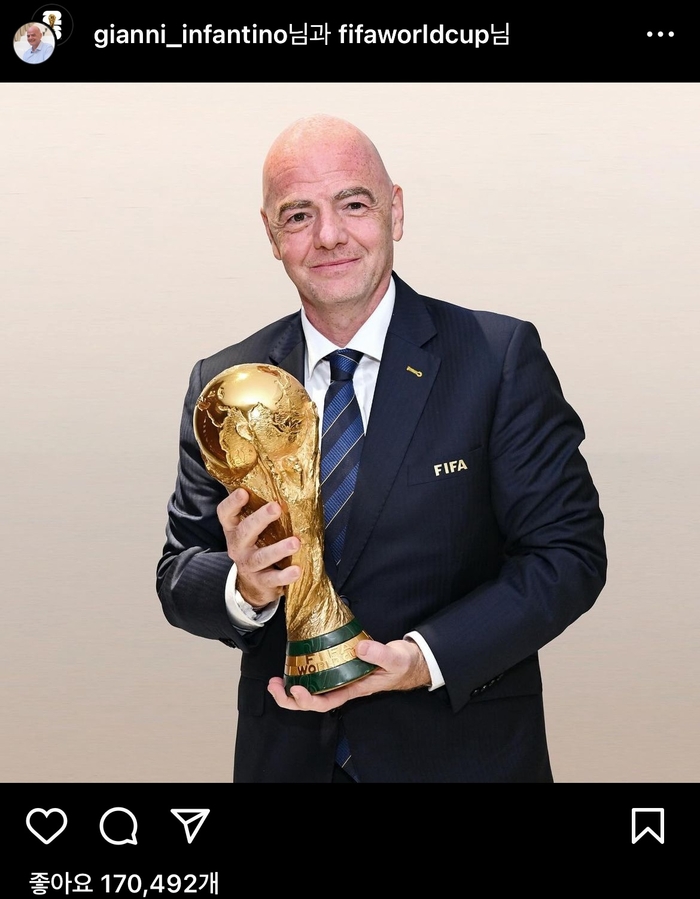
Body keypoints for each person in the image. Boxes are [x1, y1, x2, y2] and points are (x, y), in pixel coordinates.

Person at [157, 115, 607, 783]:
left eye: (353, 204)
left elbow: (568, 555)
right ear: (271, 235)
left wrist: (425, 658)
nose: (328, 236)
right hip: (286, 760)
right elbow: (178, 573)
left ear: (395, 211)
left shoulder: (496, 359)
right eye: (299, 215)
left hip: (462, 758)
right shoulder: (225, 383)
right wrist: (243, 586)